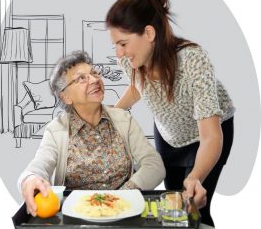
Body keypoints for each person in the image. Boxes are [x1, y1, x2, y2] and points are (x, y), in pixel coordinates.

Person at [106, 0, 235, 226]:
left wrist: (195, 177)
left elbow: (211, 136)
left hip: (207, 135)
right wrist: (113, 113)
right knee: (172, 207)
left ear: (149, 33)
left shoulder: (193, 60)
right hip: (168, 134)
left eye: (123, 44)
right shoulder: (128, 59)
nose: (119, 53)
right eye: (116, 45)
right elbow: (138, 87)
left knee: (194, 209)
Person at [18, 51, 166, 217]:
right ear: (66, 97)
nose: (95, 80)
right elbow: (39, 165)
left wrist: (122, 195)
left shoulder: (123, 118)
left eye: (94, 73)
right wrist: (29, 179)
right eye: (81, 78)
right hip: (76, 215)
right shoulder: (56, 130)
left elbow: (154, 164)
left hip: (123, 211)